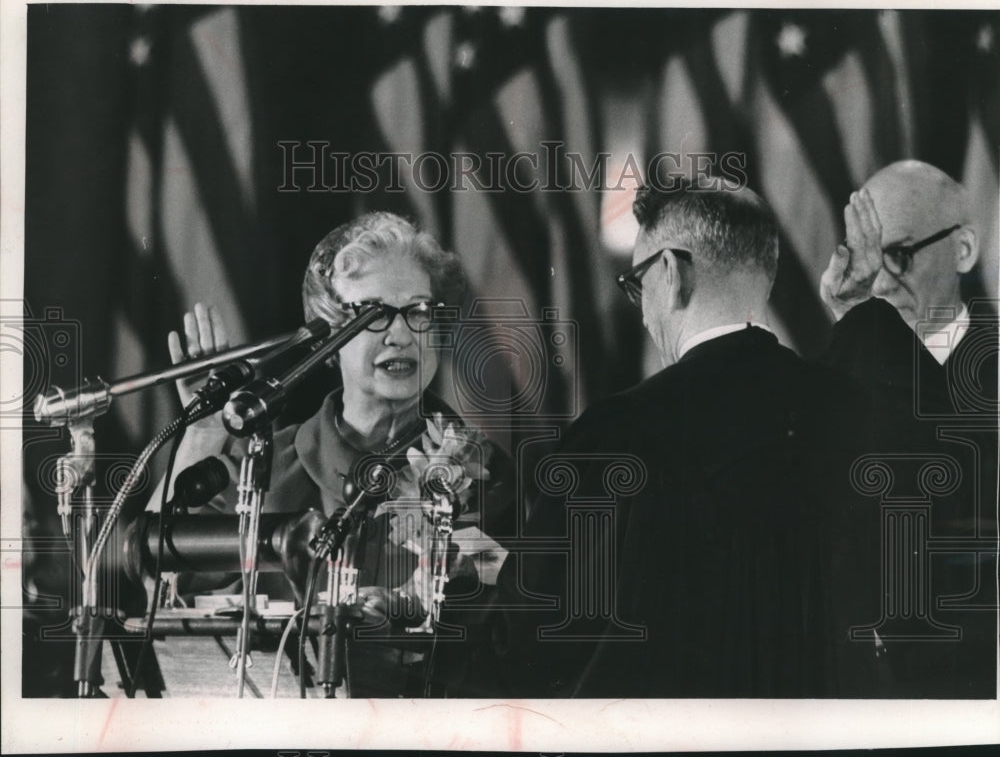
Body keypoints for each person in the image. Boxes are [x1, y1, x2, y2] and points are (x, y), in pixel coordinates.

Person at [495, 178, 891, 698]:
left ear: (669, 272)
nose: (640, 309)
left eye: (636, 284)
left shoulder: (616, 429)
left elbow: (531, 635)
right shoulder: (849, 408)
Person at [158, 212, 514, 697]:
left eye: (419, 312)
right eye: (373, 314)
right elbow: (162, 581)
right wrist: (202, 433)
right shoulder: (261, 463)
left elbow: (505, 628)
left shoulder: (482, 471)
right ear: (328, 340)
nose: (401, 335)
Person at [819, 160, 998, 698]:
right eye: (862, 256)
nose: (878, 279)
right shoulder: (842, 369)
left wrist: (860, 327)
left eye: (896, 253)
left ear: (963, 251)